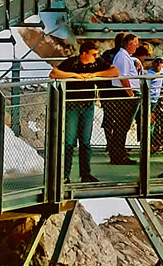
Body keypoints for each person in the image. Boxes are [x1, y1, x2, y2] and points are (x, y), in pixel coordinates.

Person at [50, 40, 117, 183]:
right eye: (93, 54)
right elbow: (54, 73)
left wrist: (94, 74)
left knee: (85, 142)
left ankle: (85, 174)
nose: (96, 56)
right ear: (84, 54)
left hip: (87, 105)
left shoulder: (96, 63)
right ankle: (65, 175)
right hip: (71, 106)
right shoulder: (72, 62)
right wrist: (74, 75)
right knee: (69, 141)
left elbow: (114, 72)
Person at [100, 33, 144, 166]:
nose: (137, 46)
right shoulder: (123, 57)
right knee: (121, 126)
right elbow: (123, 77)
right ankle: (118, 155)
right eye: (135, 43)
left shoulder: (125, 57)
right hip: (124, 95)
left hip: (126, 93)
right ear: (129, 44)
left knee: (123, 126)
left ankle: (119, 153)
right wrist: (130, 94)